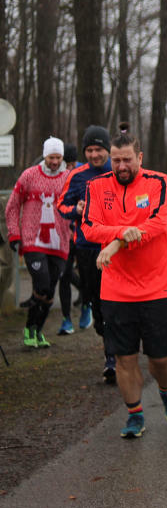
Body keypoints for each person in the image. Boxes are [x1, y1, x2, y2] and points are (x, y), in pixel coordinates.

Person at [82, 122, 167, 438]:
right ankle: (135, 415)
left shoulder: (160, 182)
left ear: (139, 157)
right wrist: (120, 233)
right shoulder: (96, 187)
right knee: (124, 359)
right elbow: (89, 228)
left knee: (160, 361)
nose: (121, 166)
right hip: (116, 289)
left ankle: (166, 390)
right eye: (116, 160)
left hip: (157, 287)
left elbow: (158, 224)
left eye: (127, 160)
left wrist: (116, 243)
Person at [57, 126, 116, 383]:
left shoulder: (119, 171)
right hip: (88, 247)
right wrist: (76, 209)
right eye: (89, 150)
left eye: (99, 149)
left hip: (117, 248)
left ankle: (115, 356)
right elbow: (61, 205)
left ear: (107, 149)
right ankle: (109, 346)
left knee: (117, 301)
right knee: (97, 302)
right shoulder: (77, 175)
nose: (94, 155)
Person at [5, 137, 71, 348]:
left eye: (58, 157)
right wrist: (14, 234)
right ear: (45, 155)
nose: (54, 161)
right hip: (33, 239)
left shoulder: (69, 178)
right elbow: (13, 206)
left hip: (59, 242)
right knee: (41, 282)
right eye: (51, 157)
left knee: (50, 290)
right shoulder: (29, 175)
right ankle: (28, 328)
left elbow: (80, 206)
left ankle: (36, 331)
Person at [56, 143, 85, 335]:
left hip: (83, 235)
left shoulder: (84, 174)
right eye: (65, 164)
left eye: (71, 164)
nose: (68, 168)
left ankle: (87, 303)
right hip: (64, 234)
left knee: (87, 274)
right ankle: (66, 319)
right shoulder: (57, 176)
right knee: (64, 275)